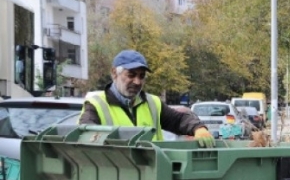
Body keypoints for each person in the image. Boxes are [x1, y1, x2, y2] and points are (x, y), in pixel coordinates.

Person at [79, 50, 214, 146]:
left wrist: (198, 128)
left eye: (142, 76)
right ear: (114, 73)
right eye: (131, 75)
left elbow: (179, 120)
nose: (137, 82)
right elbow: (86, 136)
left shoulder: (152, 103)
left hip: (152, 173)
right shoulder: (96, 104)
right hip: (116, 174)